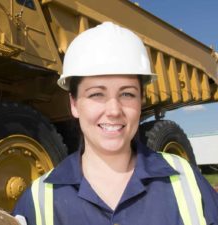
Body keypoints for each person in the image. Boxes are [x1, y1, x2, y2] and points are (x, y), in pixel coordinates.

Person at [13, 22, 218, 225]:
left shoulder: (187, 180)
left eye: (127, 94)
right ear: (74, 104)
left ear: (141, 101)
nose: (113, 111)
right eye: (96, 94)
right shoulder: (37, 201)